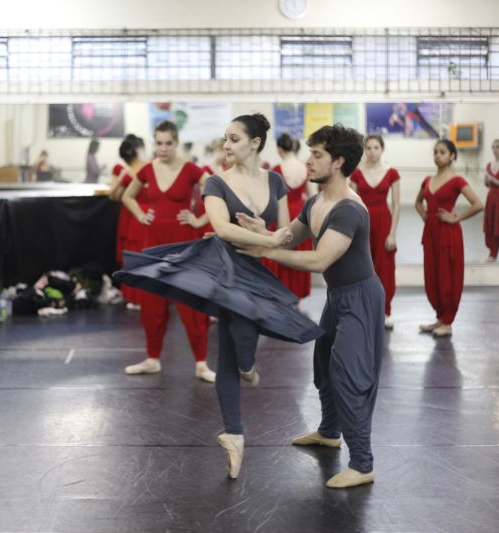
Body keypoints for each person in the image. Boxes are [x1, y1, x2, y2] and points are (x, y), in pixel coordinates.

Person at [114, 115, 322, 479]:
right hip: (226, 270)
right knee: (233, 345)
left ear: (255, 143)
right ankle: (234, 433)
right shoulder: (216, 182)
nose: (226, 145)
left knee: (240, 348)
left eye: (234, 139)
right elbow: (222, 228)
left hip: (261, 272)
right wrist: (269, 239)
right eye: (224, 139)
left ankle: (245, 370)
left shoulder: (275, 181)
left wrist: (273, 237)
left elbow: (288, 231)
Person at [237, 124, 385, 489]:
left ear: (338, 161)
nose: (309, 160)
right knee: (323, 365)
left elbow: (319, 261)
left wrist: (268, 250)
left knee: (349, 374)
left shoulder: (349, 209)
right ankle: (329, 432)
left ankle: (362, 464)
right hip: (337, 297)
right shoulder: (316, 201)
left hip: (360, 297)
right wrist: (262, 232)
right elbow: (289, 235)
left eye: (317, 155)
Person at [120, 120, 215, 382]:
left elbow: (219, 194)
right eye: (159, 143)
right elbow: (127, 196)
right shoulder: (148, 169)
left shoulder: (191, 169)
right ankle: (152, 359)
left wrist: (199, 220)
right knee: (152, 304)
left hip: (183, 242)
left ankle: (201, 363)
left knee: (190, 302)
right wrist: (141, 216)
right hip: (153, 243)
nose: (163, 148)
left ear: (176, 142)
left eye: (168, 143)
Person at [415, 140, 483, 337]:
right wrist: (423, 214)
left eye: (442, 152)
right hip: (430, 233)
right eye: (435, 152)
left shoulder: (457, 181)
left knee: (447, 277)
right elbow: (418, 202)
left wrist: (456, 217)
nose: (437, 155)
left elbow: (478, 204)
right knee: (432, 276)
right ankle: (439, 318)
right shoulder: (427, 180)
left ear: (452, 156)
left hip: (448, 234)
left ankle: (448, 321)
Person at [349, 135, 400, 328]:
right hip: (362, 223)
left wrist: (392, 233)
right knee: (362, 267)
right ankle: (363, 309)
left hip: (384, 222)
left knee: (385, 268)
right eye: (368, 148)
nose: (372, 151)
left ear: (382, 149)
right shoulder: (357, 173)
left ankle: (385, 311)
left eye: (376, 147)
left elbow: (396, 205)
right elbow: (351, 202)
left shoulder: (392, 173)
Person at [265, 133, 313, 301]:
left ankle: (282, 295)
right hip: (301, 211)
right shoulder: (305, 167)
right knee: (299, 255)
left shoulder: (277, 169)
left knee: (281, 252)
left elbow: (272, 197)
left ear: (279, 149)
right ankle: (297, 297)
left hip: (282, 211)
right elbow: (312, 196)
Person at [109, 135, 148, 309]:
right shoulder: (147, 167)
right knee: (141, 254)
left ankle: (136, 296)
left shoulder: (129, 172)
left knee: (134, 255)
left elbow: (114, 195)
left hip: (133, 214)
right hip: (140, 213)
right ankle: (144, 296)